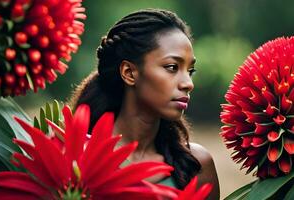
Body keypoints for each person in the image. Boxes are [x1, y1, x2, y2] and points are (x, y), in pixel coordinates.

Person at [70, 8, 220, 199]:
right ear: (129, 73)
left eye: (190, 70)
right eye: (172, 67)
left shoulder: (196, 166)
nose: (188, 83)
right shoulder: (77, 159)